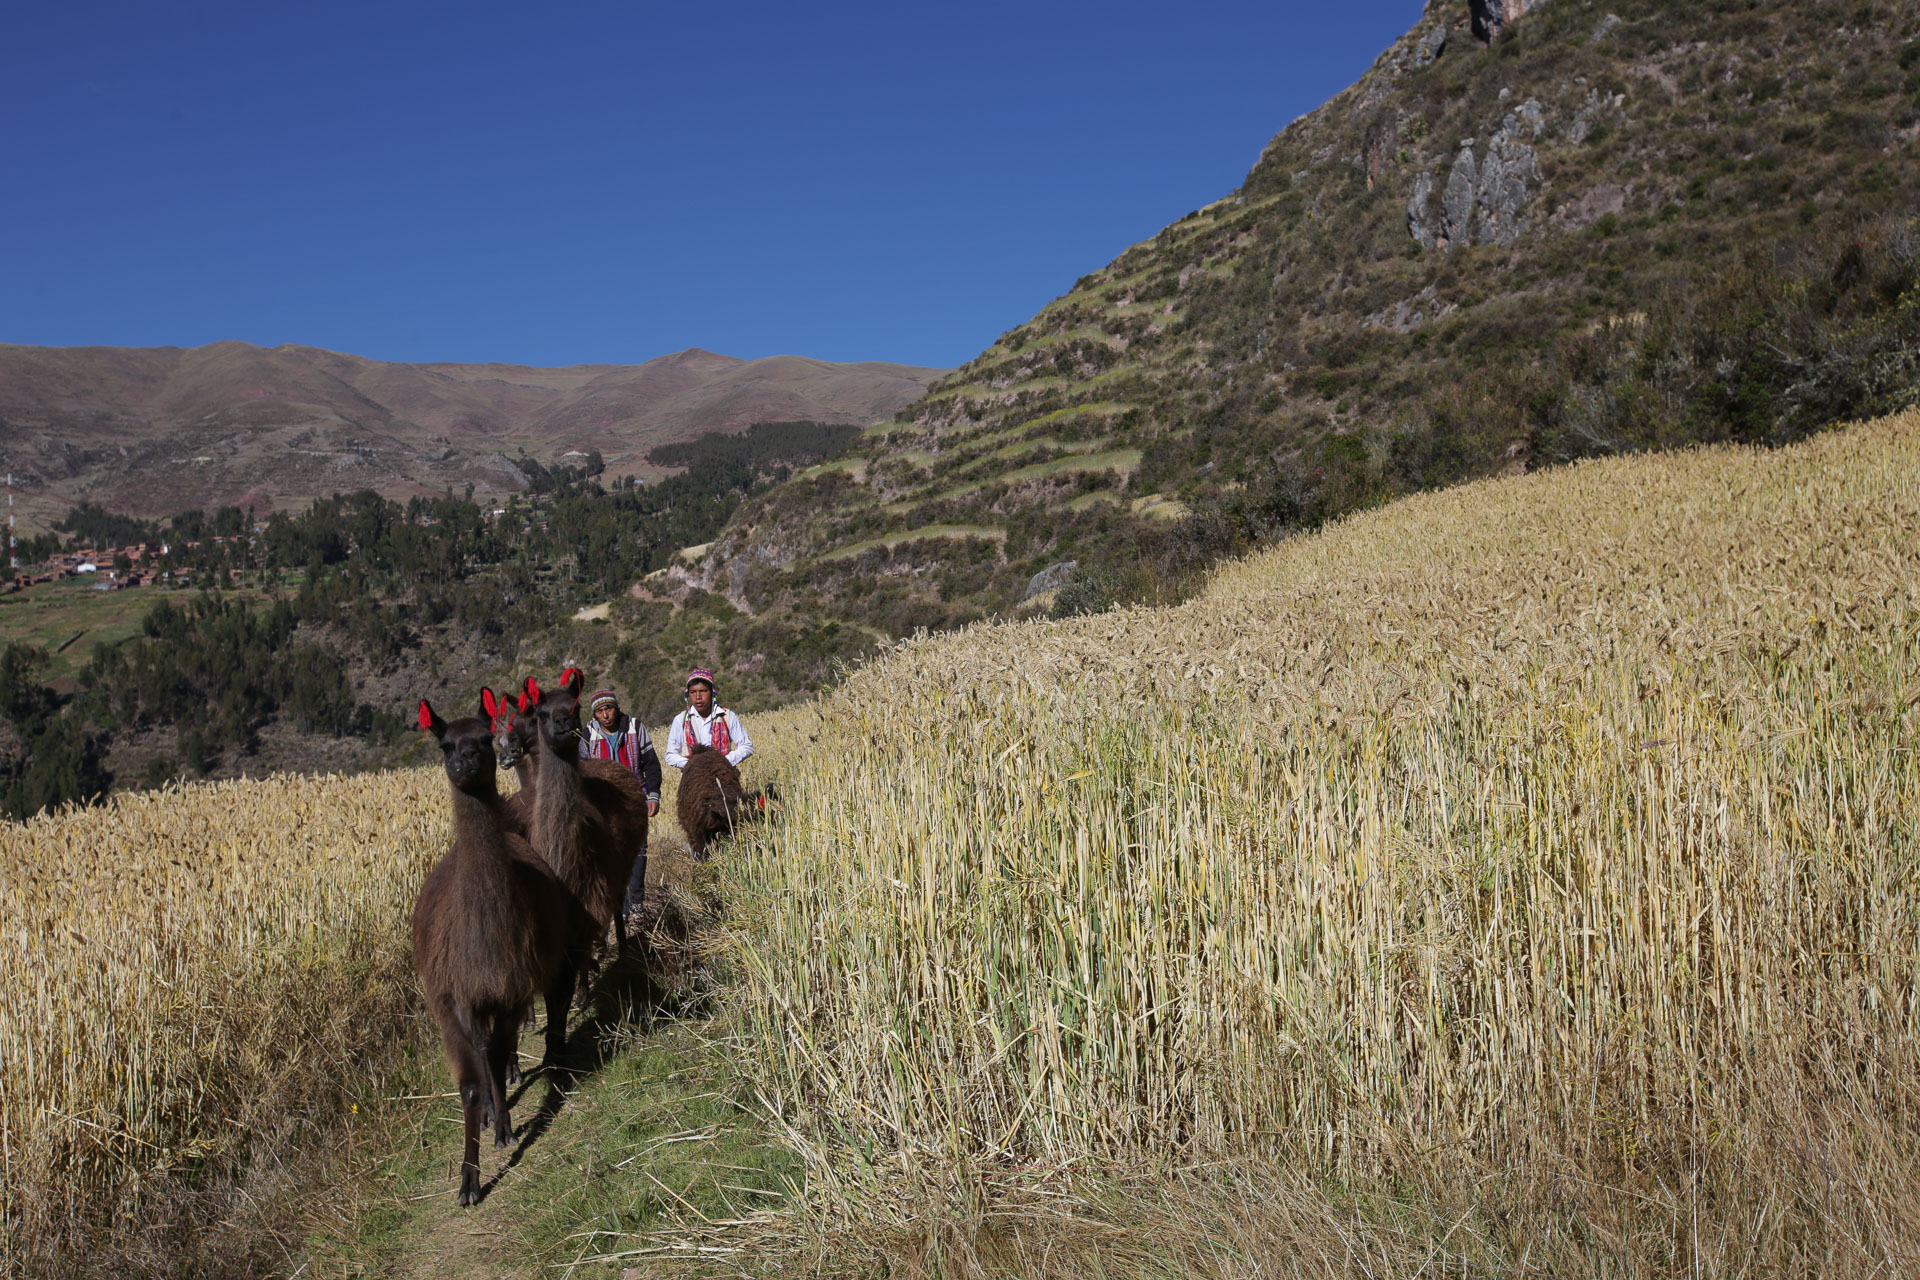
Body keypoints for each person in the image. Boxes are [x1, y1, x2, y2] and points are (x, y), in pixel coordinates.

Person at [580, 688, 662, 920]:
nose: (605, 715)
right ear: (594, 714)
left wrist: (653, 795)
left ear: (617, 708)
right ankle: (619, 909)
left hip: (634, 801)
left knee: (638, 851)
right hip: (603, 804)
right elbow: (583, 771)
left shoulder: (635, 727)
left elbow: (651, 764)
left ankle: (636, 904)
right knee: (608, 856)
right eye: (600, 711)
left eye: (609, 709)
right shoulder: (587, 735)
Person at [664, 667, 753, 771]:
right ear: (688, 695)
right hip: (693, 779)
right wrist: (692, 764)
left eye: (703, 691)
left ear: (712, 692)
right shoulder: (681, 720)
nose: (698, 697)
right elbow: (670, 754)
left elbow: (747, 746)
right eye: (693, 692)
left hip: (724, 774)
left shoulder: (727, 716)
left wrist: (723, 761)